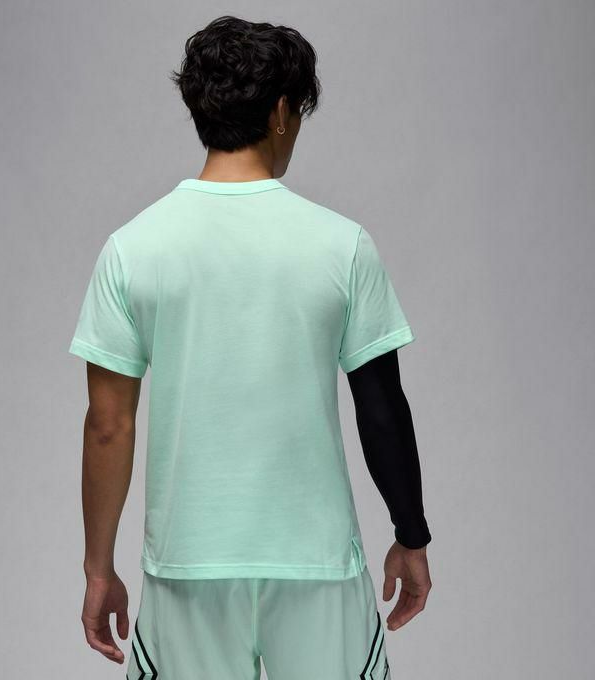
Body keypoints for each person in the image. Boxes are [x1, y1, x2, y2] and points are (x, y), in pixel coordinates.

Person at [68, 15, 432, 680]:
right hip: (317, 563)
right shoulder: (343, 246)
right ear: (282, 113)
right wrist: (411, 535)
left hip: (187, 565)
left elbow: (108, 425)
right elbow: (381, 407)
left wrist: (99, 569)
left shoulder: (132, 249)